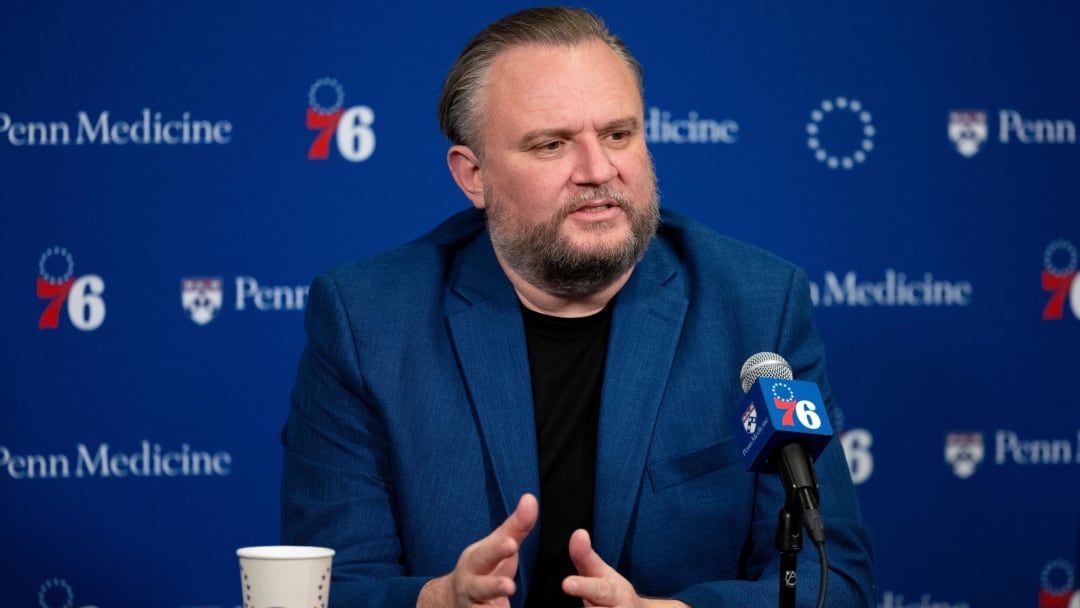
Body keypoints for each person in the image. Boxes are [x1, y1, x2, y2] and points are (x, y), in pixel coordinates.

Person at [280, 6, 875, 608]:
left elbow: (834, 582)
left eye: (619, 134)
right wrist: (435, 601)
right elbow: (332, 587)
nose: (598, 170)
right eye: (551, 144)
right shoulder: (368, 320)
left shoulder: (756, 307)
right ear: (473, 176)